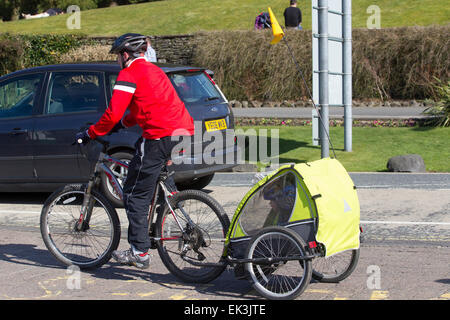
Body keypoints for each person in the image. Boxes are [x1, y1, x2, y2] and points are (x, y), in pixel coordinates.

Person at [76, 33, 195, 269]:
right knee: (151, 181)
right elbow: (145, 107)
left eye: (117, 56)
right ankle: (168, 213)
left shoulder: (128, 73)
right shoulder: (154, 70)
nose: (117, 61)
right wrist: (125, 123)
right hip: (182, 132)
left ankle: (139, 252)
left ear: (124, 54)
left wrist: (91, 132)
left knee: (133, 193)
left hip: (159, 136)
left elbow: (112, 113)